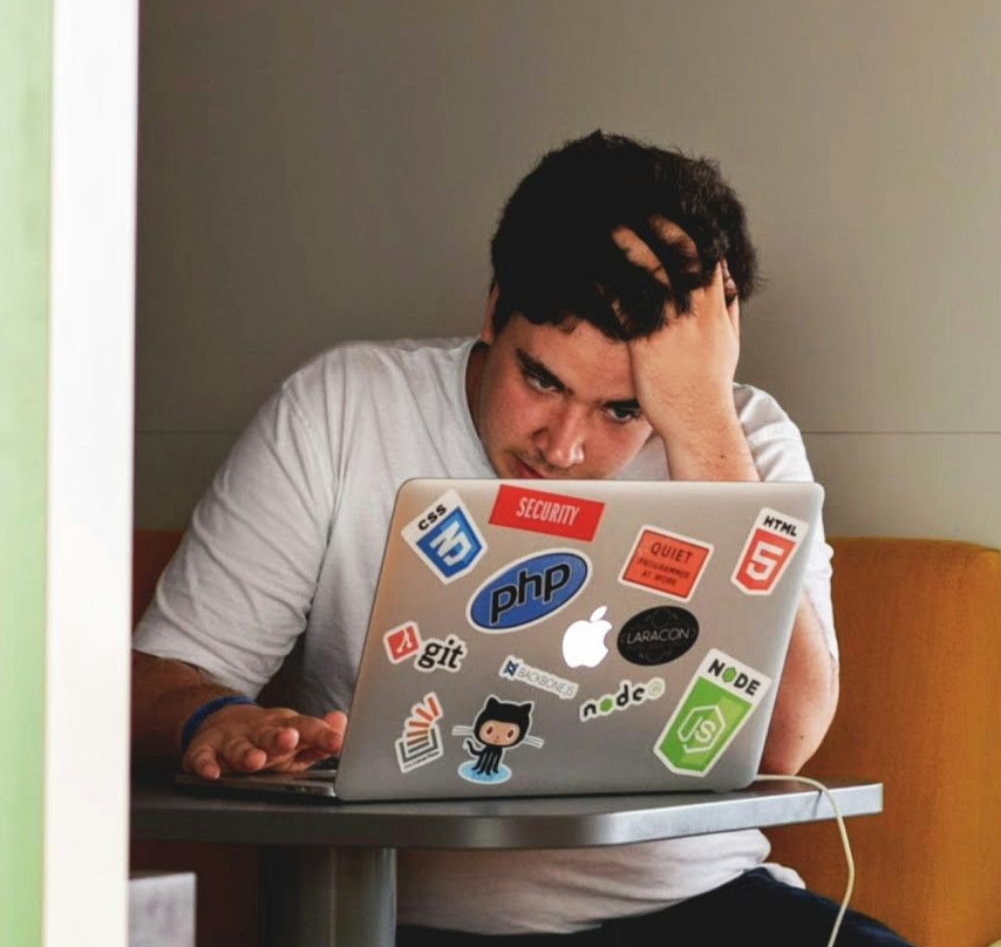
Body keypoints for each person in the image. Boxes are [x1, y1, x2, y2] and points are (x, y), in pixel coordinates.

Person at [130, 132, 912, 944]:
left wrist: (702, 424)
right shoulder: (342, 408)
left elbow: (788, 739)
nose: (563, 448)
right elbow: (155, 679)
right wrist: (210, 719)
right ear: (494, 308)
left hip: (698, 905)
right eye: (541, 379)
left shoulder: (741, 440)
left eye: (622, 409)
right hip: (402, 919)